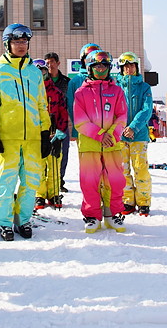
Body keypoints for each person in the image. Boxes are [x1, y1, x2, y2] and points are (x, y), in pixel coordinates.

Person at [0, 23, 51, 241]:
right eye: (16, 42)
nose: (21, 46)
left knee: (31, 181)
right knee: (6, 181)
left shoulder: (34, 72)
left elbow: (42, 104)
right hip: (7, 137)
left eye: (24, 42)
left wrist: (45, 132)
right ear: (7, 44)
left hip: (32, 137)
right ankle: (4, 222)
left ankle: (23, 219)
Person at [74, 50, 128, 234]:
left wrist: (112, 134)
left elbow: (122, 115)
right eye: (97, 66)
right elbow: (80, 120)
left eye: (104, 66)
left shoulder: (117, 91)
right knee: (90, 181)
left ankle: (114, 213)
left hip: (112, 144)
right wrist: (99, 134)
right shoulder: (81, 93)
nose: (101, 69)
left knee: (115, 179)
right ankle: (92, 215)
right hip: (89, 144)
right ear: (89, 68)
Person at [115, 51, 153, 217]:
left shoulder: (144, 87)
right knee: (123, 170)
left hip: (138, 135)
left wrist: (133, 127)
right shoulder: (116, 86)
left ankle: (144, 202)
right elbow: (114, 109)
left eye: (131, 65)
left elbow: (147, 109)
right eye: (125, 66)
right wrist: (121, 127)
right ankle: (127, 201)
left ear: (136, 67)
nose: (129, 69)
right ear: (121, 69)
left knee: (140, 169)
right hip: (120, 136)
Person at [32, 59, 68, 210]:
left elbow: (63, 114)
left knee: (54, 165)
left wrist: (60, 133)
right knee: (38, 166)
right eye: (38, 72)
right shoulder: (31, 92)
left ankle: (54, 193)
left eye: (43, 71)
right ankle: (39, 194)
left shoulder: (56, 92)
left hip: (54, 134)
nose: (41, 74)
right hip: (37, 135)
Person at [66, 43, 101, 194]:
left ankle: (103, 191)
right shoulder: (75, 81)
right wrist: (79, 127)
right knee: (87, 163)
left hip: (104, 130)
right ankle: (90, 192)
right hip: (84, 131)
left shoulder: (107, 80)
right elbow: (71, 106)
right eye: (89, 57)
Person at [44, 52, 71, 189]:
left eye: (52, 62)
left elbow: (70, 103)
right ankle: (45, 182)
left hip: (61, 122)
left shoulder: (66, 82)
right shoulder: (41, 81)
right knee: (45, 152)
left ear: (58, 63)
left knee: (62, 151)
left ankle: (59, 180)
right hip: (44, 124)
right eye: (47, 63)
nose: (50, 65)